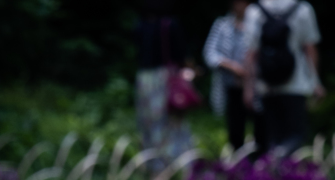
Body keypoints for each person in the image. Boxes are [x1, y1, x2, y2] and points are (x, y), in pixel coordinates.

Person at [243, 0, 324, 156]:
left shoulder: (254, 11)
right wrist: (316, 83)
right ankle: (287, 168)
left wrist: (248, 88)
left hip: (266, 85)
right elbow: (310, 48)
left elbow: (251, 54)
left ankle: (273, 167)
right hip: (296, 84)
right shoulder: (303, 9)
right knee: (295, 135)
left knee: (272, 136)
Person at [134, 0, 194, 167]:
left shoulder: (140, 24)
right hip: (165, 79)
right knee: (172, 124)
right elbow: (181, 57)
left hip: (144, 80)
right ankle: (176, 166)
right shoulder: (170, 24)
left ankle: (154, 165)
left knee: (149, 125)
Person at [204, 1, 266, 152]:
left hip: (257, 86)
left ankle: (260, 166)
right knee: (236, 129)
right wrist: (232, 67)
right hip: (233, 86)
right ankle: (238, 167)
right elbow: (209, 54)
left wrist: (250, 71)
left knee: (262, 129)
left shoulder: (260, 23)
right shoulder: (222, 25)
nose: (240, 6)